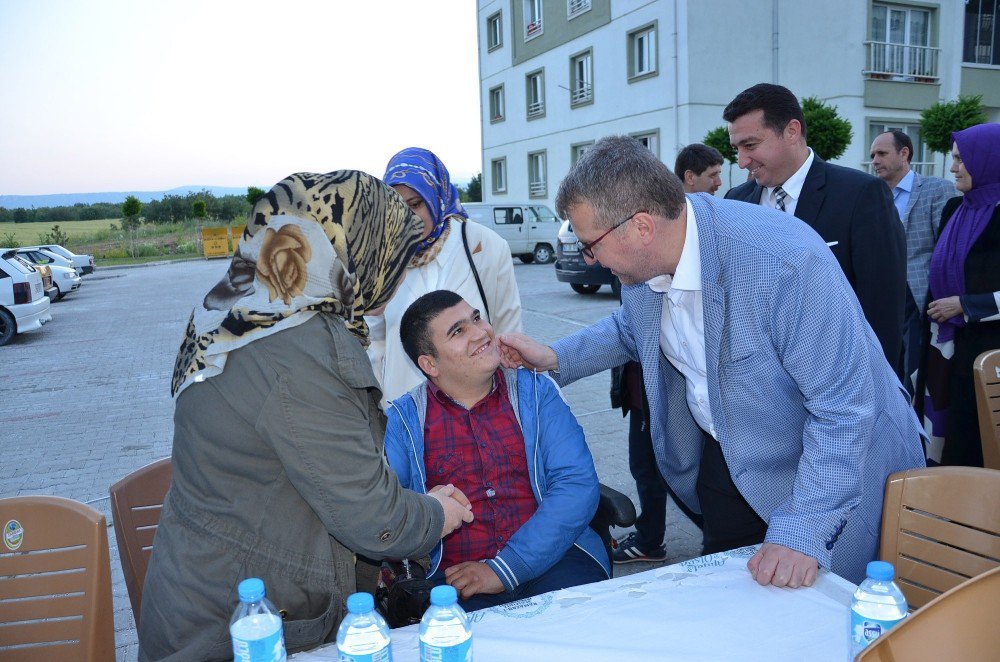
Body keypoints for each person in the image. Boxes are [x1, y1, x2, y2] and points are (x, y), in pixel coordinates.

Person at [499, 135, 926, 587]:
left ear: (641, 227)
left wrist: (801, 532)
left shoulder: (783, 262)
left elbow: (843, 410)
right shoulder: (644, 263)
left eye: (591, 246)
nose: (592, 260)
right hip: (732, 464)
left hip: (832, 472)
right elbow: (632, 327)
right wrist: (555, 357)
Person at [139, 172, 475, 661]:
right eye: (395, 261)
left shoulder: (247, 301)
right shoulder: (299, 350)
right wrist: (436, 514)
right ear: (362, 249)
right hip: (239, 629)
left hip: (209, 587)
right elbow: (370, 518)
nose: (397, 280)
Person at [384, 289, 610, 611]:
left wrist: (505, 569)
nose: (480, 333)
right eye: (458, 331)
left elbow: (576, 485)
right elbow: (387, 509)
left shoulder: (535, 392)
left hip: (557, 558)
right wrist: (422, 507)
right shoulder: (405, 421)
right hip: (458, 581)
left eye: (476, 318)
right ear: (430, 363)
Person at [723, 83, 907, 377]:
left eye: (751, 145)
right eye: (737, 149)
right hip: (762, 394)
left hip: (839, 384)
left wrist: (874, 392)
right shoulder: (736, 201)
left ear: (792, 131)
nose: (742, 161)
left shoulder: (860, 195)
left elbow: (883, 307)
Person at [368, 147, 522, 407]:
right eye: (397, 206)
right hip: (404, 418)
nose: (408, 217)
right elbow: (373, 343)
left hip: (477, 415)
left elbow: (509, 334)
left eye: (416, 204)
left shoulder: (484, 246)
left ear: (435, 195)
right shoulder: (381, 258)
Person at [918, 123, 1000, 467]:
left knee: (977, 446)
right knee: (941, 442)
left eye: (961, 160)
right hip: (944, 347)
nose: (953, 168)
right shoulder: (956, 208)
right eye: (953, 159)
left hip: (989, 356)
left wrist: (966, 306)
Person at [870, 130, 958, 392]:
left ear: (904, 153)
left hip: (920, 297)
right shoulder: (870, 194)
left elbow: (947, 247)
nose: (875, 160)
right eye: (873, 155)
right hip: (881, 296)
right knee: (886, 366)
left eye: (882, 153)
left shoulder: (936, 189)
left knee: (915, 371)